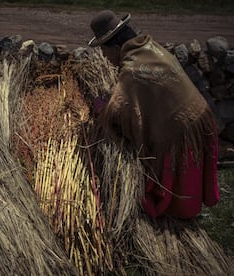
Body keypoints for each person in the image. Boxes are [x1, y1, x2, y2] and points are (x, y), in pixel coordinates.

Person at [88, 10, 220, 219]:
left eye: (104, 51)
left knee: (178, 202)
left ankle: (179, 215)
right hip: (198, 114)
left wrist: (100, 107)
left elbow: (121, 113)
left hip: (182, 131)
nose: (104, 57)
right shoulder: (149, 47)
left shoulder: (131, 69)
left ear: (115, 47)